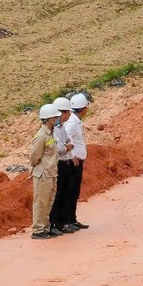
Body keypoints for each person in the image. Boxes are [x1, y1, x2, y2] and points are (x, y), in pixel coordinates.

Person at [56, 93, 91, 232]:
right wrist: (72, 155)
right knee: (70, 191)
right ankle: (67, 220)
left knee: (74, 191)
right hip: (73, 163)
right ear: (84, 109)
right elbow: (66, 138)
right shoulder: (72, 122)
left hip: (76, 161)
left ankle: (72, 219)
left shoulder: (75, 120)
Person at [29, 104, 62, 239]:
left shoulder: (51, 134)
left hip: (51, 172)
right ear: (49, 119)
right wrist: (35, 166)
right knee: (40, 202)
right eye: (55, 117)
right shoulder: (41, 136)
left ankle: (46, 227)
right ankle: (38, 229)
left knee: (49, 201)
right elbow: (35, 156)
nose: (57, 119)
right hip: (43, 173)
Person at [50, 97, 79, 233]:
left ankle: (61, 223)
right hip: (58, 163)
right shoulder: (55, 129)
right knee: (58, 194)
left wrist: (67, 146)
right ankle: (55, 223)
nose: (69, 115)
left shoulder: (61, 127)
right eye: (67, 112)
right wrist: (67, 147)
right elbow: (60, 148)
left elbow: (69, 141)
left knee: (64, 193)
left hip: (64, 162)